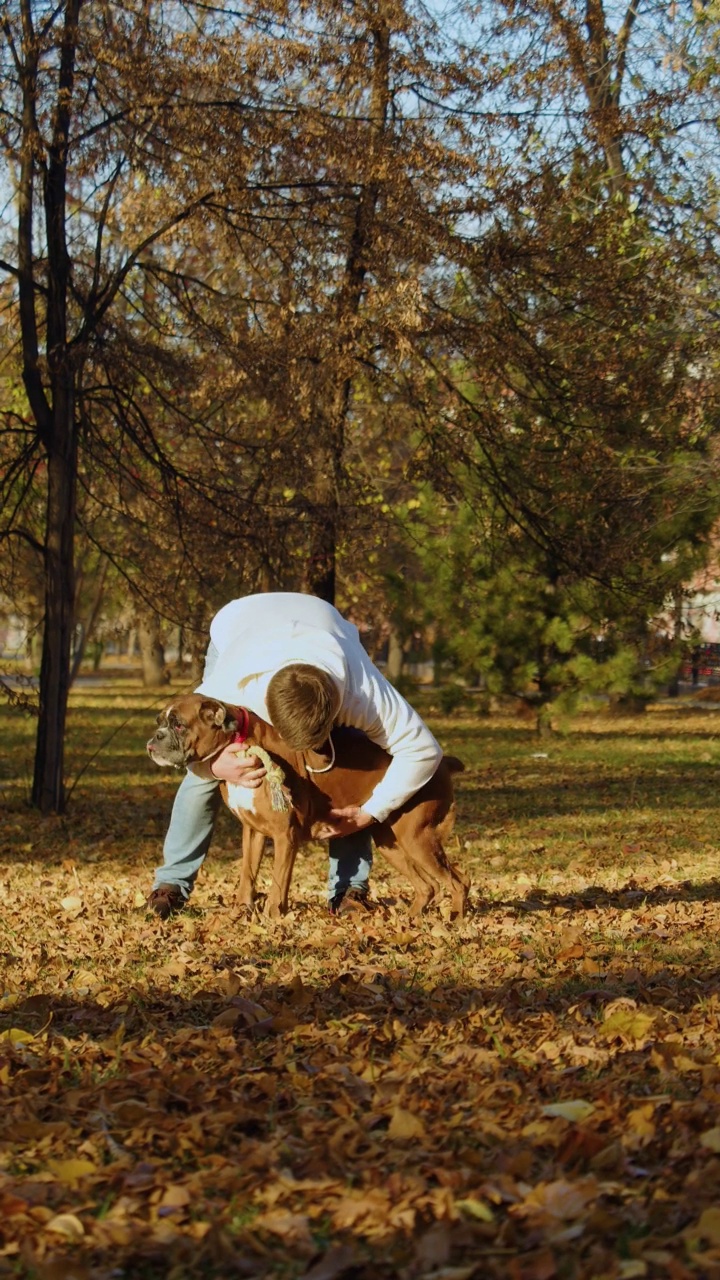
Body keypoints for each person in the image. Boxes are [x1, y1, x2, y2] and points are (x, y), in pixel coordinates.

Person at [147, 592, 443, 918]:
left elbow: (424, 751)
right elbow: (192, 743)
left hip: (328, 629)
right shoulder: (230, 686)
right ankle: (172, 882)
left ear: (340, 709)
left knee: (351, 761)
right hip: (239, 626)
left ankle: (348, 889)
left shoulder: (365, 695)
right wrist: (215, 766)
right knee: (206, 768)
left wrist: (371, 812)